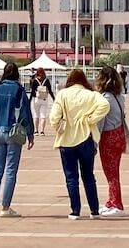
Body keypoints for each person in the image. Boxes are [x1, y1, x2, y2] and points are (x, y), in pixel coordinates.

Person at [49, 68, 110, 220]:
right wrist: (90, 120)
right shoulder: (91, 95)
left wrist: (59, 128)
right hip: (86, 138)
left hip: (67, 141)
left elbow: (53, 117)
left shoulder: (62, 94)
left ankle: (75, 210)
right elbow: (105, 105)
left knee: (71, 177)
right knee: (88, 175)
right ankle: (94, 210)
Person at [0, 62, 34, 218]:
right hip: (13, 132)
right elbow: (25, 113)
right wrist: (30, 134)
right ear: (16, 74)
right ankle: (5, 207)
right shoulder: (18, 90)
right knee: (11, 170)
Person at [95, 65, 127, 217]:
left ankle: (117, 203)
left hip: (109, 137)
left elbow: (100, 123)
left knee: (111, 172)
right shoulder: (119, 97)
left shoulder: (105, 99)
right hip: (119, 134)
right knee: (113, 170)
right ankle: (111, 200)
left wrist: (95, 142)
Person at [30, 68, 54, 136]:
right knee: (43, 115)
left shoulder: (34, 80)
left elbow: (32, 92)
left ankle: (36, 131)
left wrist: (30, 100)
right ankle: (42, 131)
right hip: (44, 99)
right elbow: (50, 90)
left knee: (36, 115)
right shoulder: (46, 80)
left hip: (36, 99)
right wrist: (54, 98)